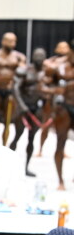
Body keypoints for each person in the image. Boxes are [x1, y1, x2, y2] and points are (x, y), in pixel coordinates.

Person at [43, 37, 74, 190]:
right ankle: (60, 181)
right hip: (64, 108)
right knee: (60, 143)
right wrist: (56, 90)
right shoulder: (57, 66)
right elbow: (42, 86)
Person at [12, 47, 49, 176]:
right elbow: (15, 88)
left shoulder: (47, 73)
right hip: (23, 108)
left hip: (37, 108)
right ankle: (8, 165)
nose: (39, 58)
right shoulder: (25, 70)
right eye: (37, 56)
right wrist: (22, 106)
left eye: (41, 56)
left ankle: (26, 167)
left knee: (31, 139)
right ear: (33, 57)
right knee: (17, 136)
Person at [37, 41, 71, 157]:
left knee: (63, 128)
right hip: (51, 99)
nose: (63, 50)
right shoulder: (50, 63)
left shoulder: (70, 64)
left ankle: (62, 150)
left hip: (66, 101)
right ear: (56, 49)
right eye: (61, 47)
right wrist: (54, 91)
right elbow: (42, 84)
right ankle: (40, 149)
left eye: (65, 47)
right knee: (46, 125)